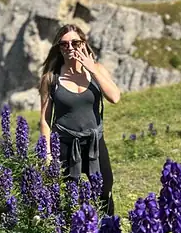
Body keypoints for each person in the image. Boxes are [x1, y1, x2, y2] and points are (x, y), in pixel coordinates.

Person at [38, 24, 121, 216]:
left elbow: (115, 97)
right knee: (67, 196)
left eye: (75, 43)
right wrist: (47, 154)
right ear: (59, 48)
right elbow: (45, 120)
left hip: (94, 142)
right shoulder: (51, 78)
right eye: (64, 44)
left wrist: (91, 68)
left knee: (105, 191)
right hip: (65, 145)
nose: (70, 48)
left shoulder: (97, 70)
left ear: (83, 44)